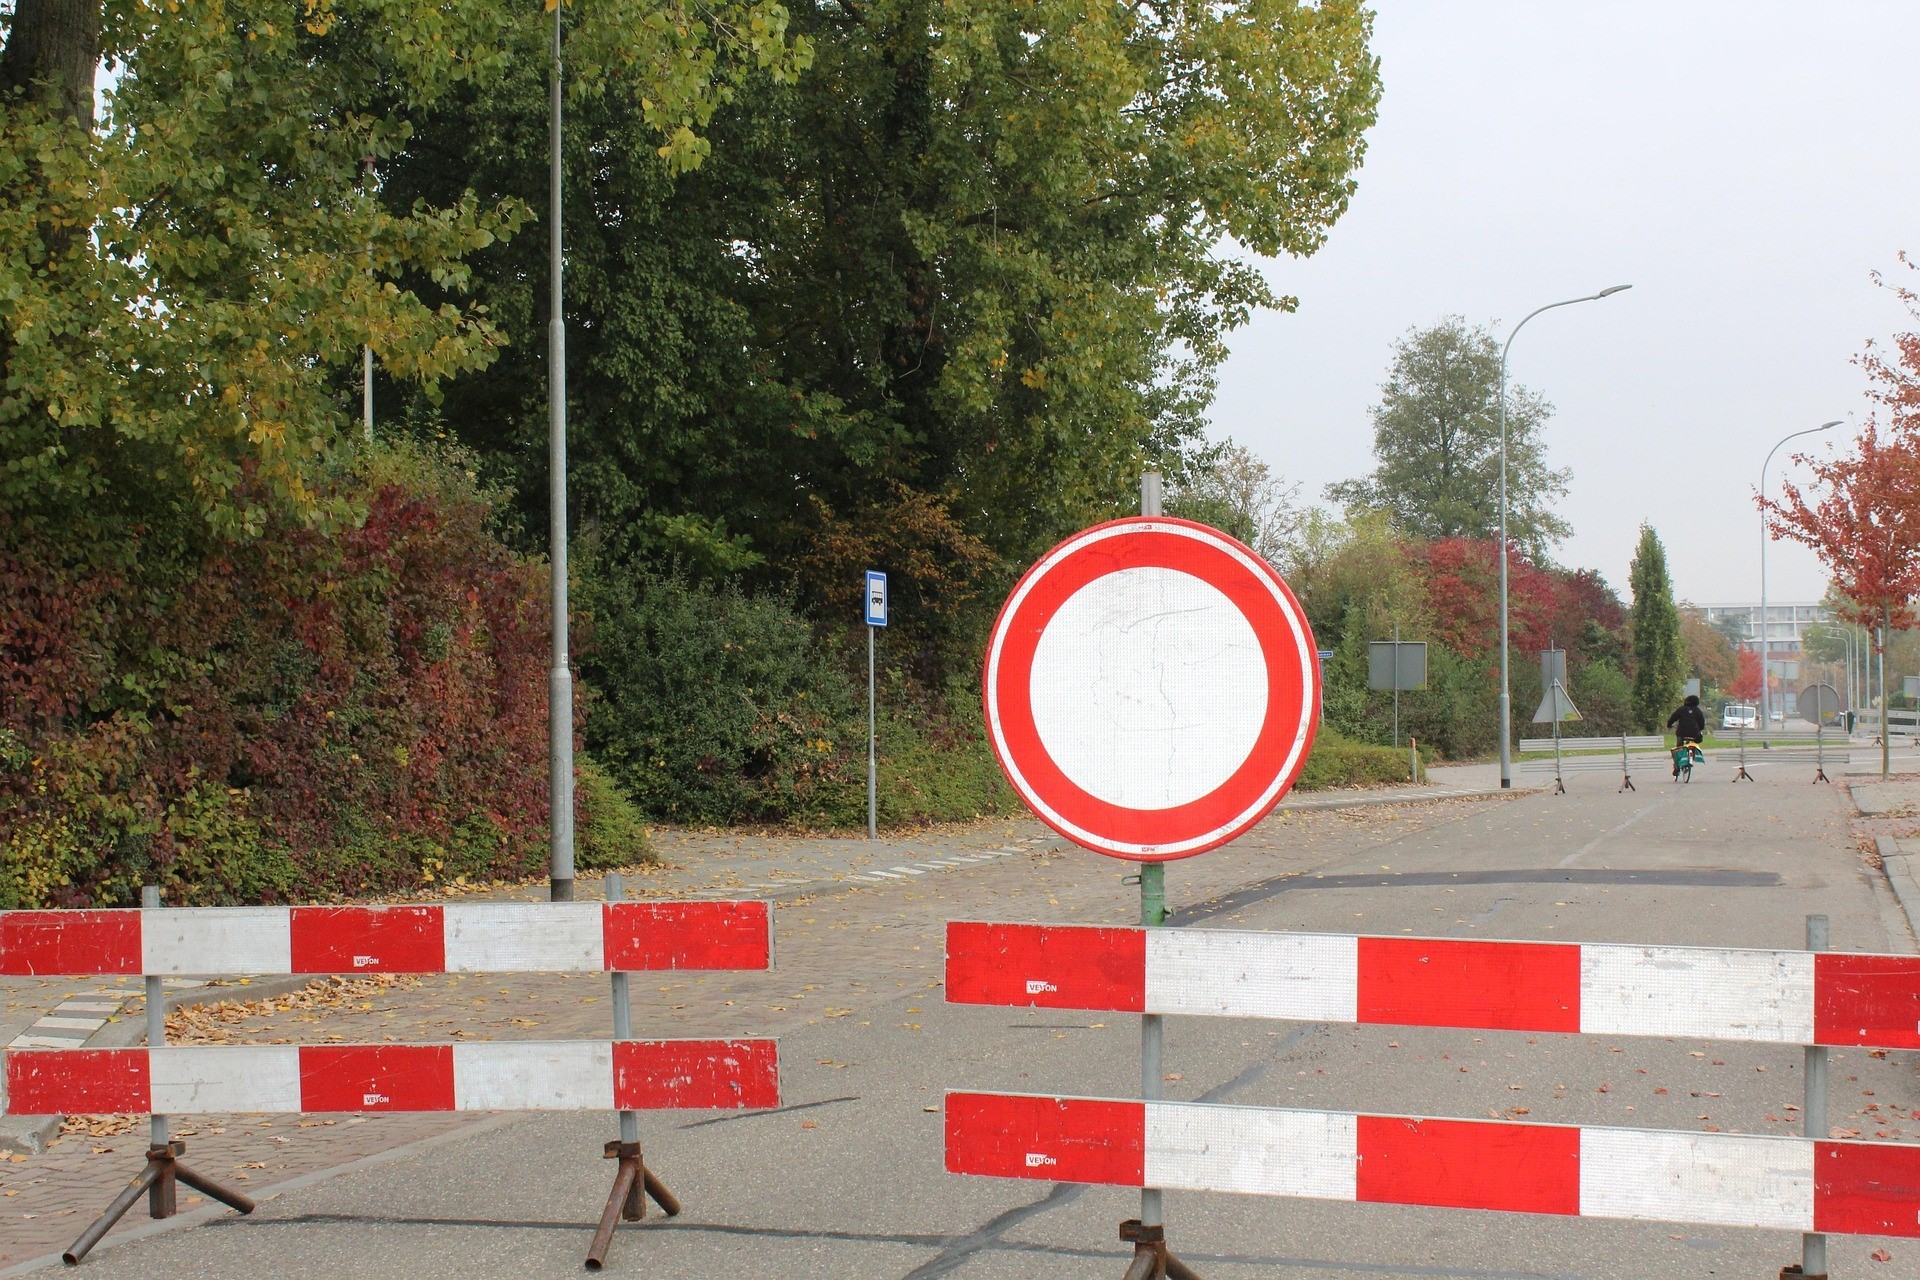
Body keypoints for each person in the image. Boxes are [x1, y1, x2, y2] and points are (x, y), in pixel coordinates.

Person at [1666, 694, 1706, 779]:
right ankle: (1692, 756)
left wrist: (1669, 725)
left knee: (1678, 748)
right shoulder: (1698, 711)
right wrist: (1699, 729)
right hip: (1694, 734)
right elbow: (1702, 723)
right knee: (1694, 744)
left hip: (1681, 733)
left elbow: (1673, 718)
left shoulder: (1681, 709)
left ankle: (1677, 766)